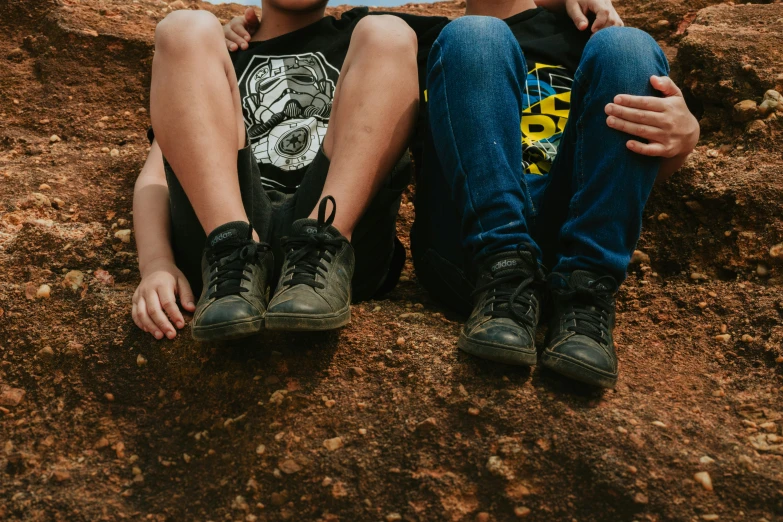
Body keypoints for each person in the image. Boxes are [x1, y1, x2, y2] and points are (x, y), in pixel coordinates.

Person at [225, 0, 700, 388]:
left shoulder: (587, 39)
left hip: (568, 236)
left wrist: (684, 139)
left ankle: (586, 296)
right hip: (471, 250)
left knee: (631, 46)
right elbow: (314, 33)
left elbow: (625, 162)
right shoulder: (421, 34)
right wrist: (239, 31)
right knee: (475, 36)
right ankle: (505, 271)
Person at [131, 1, 419, 342]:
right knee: (183, 28)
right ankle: (231, 245)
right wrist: (156, 264)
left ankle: (323, 242)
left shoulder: (361, 35)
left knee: (389, 32)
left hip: (336, 243)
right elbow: (157, 175)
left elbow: (484, 38)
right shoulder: (215, 52)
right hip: (223, 248)